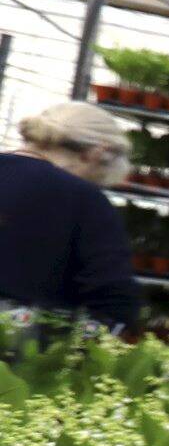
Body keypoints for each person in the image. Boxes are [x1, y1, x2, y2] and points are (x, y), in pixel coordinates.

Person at [1, 101, 139, 334]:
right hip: (20, 354)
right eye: (99, 177)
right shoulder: (84, 199)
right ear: (95, 154)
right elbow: (114, 298)